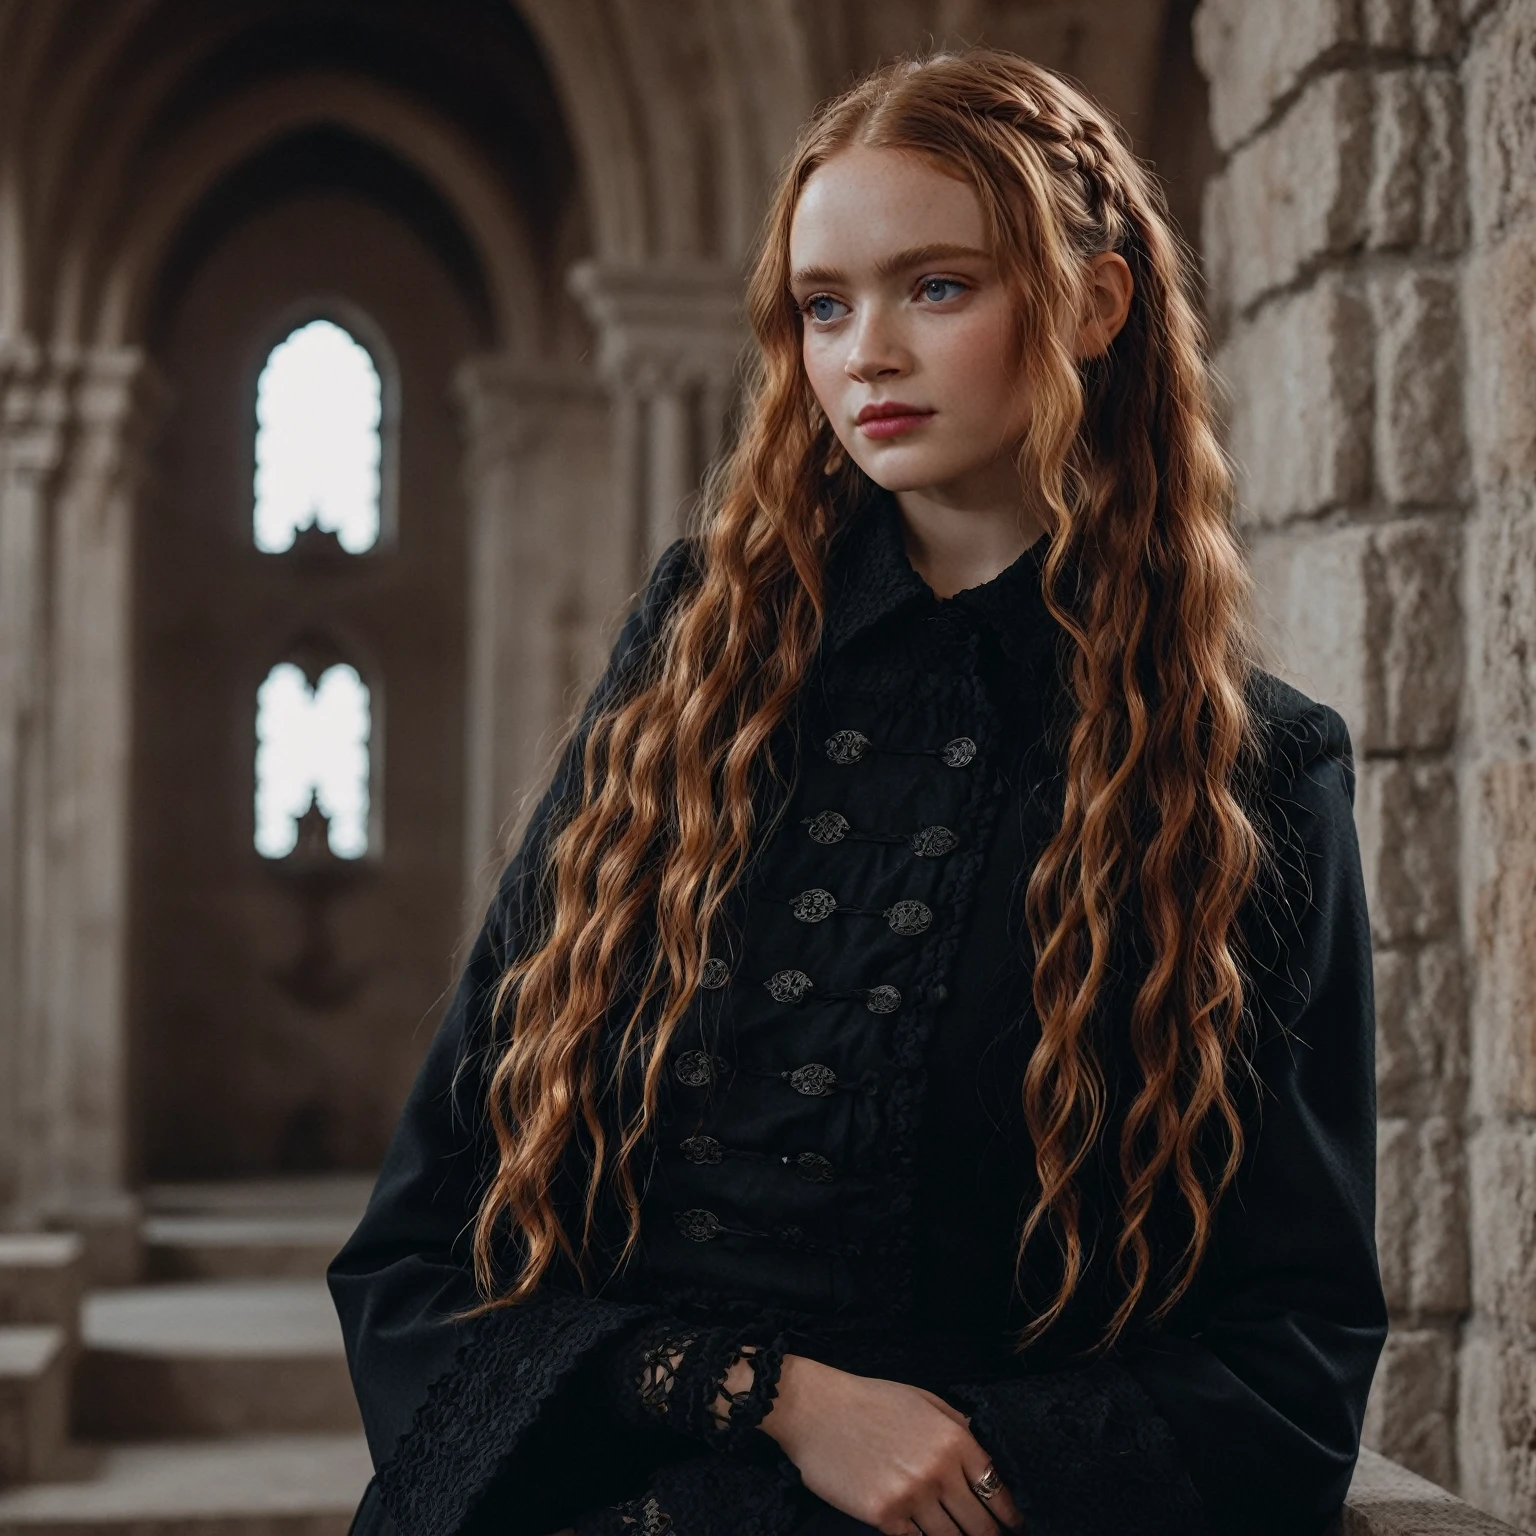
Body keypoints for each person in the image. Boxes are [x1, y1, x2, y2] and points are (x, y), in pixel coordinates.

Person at [329, 48, 1386, 1536]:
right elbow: (417, 1258)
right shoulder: (682, 688)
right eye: (825, 305)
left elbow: (1293, 1367)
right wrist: (777, 1398)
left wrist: (971, 1466)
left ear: (1094, 303)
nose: (864, 354)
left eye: (936, 288)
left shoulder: (1255, 778)